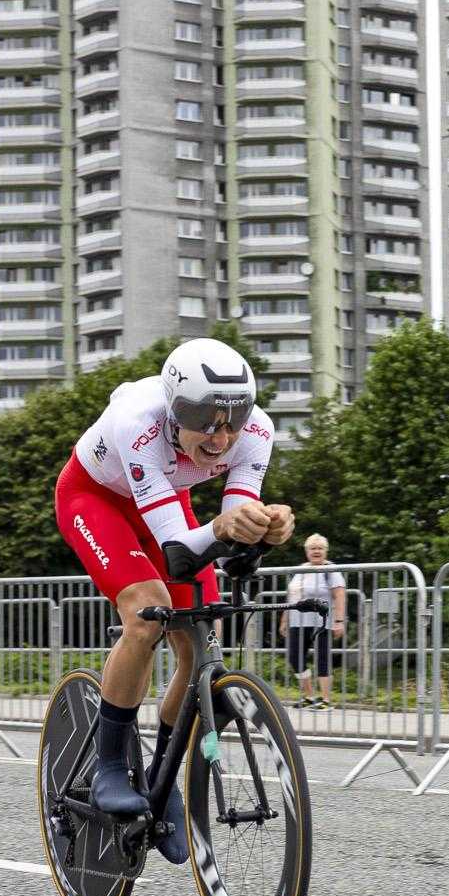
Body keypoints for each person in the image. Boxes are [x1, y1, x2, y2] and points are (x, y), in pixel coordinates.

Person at [55, 337, 295, 864]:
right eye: (205, 420)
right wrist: (226, 527)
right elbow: (178, 548)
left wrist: (264, 529)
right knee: (147, 613)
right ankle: (109, 766)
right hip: (94, 498)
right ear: (173, 408)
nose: (220, 437)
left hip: (164, 500)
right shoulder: (137, 421)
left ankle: (162, 777)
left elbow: (232, 531)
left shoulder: (258, 432)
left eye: (232, 421)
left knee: (202, 634)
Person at [282, 534, 347, 710]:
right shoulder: (300, 569)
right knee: (295, 658)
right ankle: (309, 696)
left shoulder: (330, 569)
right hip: (297, 621)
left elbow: (339, 595)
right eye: (313, 548)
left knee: (322, 659)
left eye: (320, 548)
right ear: (306, 551)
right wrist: (284, 619)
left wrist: (339, 621)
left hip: (322, 621)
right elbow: (292, 596)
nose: (316, 551)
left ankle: (326, 700)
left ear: (326, 551)